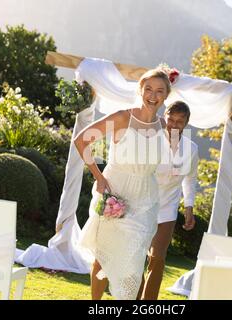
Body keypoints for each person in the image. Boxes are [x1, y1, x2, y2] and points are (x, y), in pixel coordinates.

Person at [74, 68, 171, 300]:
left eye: (159, 91)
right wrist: (98, 176)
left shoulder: (164, 127)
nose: (153, 95)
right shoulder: (122, 117)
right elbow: (81, 140)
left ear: (166, 95)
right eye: (148, 89)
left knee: (135, 258)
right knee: (104, 254)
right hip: (115, 192)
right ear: (140, 89)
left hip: (146, 200)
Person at [138, 101, 199, 300]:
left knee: (157, 258)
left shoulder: (191, 148)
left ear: (186, 123)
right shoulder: (151, 139)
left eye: (180, 121)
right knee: (137, 257)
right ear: (165, 116)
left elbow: (190, 178)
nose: (174, 124)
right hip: (142, 206)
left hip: (167, 210)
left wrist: (188, 207)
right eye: (171, 119)